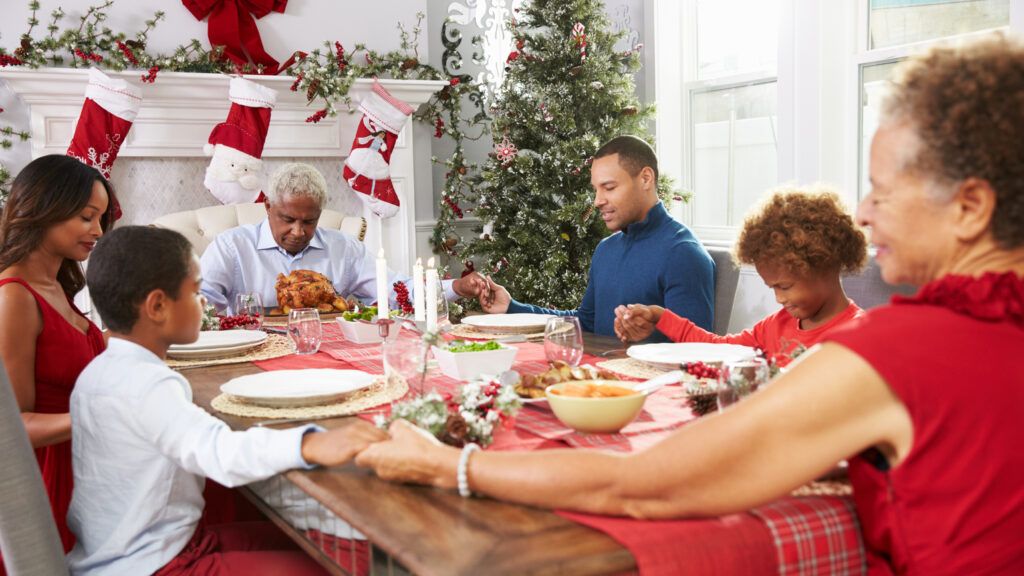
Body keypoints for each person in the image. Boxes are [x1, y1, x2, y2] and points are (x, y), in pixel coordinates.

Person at [356, 34, 1024, 575]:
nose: (866, 213)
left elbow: (643, 486)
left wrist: (450, 463)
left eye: (879, 189)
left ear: (970, 207)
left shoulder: (893, 351)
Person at [67, 226, 387, 575]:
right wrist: (310, 443)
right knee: (339, 562)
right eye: (195, 291)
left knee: (316, 543)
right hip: (154, 564)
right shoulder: (147, 384)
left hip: (141, 544)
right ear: (157, 306)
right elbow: (219, 452)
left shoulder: (99, 370)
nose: (204, 301)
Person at [478, 136, 714, 341]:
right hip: (597, 382)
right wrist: (512, 307)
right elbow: (585, 322)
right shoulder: (606, 249)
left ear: (645, 179)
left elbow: (697, 352)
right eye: (596, 189)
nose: (597, 200)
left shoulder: (683, 253)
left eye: (609, 187)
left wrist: (642, 336)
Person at [615, 186, 867, 367]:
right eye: (773, 288)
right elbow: (717, 349)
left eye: (785, 286)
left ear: (826, 264)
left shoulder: (860, 336)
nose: (779, 298)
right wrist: (660, 316)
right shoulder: (775, 326)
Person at [0, 155, 113, 556]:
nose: (98, 230)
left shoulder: (55, 287)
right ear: (43, 209)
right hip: (55, 487)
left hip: (88, 465)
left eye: (100, 218)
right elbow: (12, 430)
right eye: (87, 217)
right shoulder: (14, 297)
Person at [200, 162, 487, 313]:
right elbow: (199, 306)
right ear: (267, 207)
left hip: (330, 358)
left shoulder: (344, 248)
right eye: (288, 220)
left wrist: (456, 288)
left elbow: (397, 291)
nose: (298, 232)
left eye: (309, 221)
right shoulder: (231, 247)